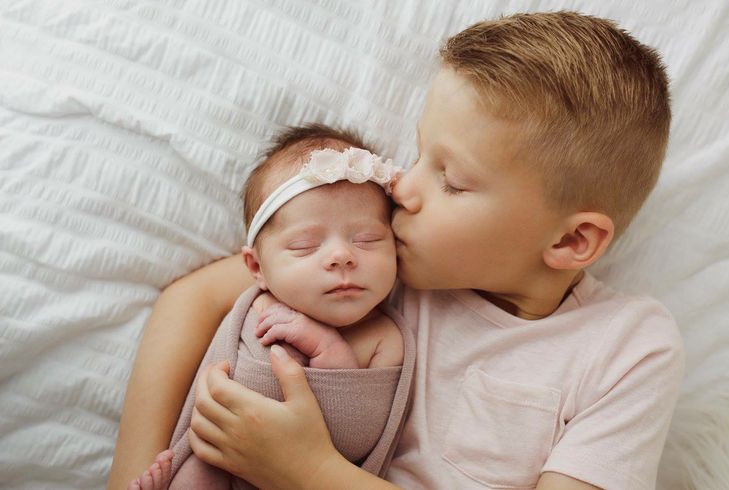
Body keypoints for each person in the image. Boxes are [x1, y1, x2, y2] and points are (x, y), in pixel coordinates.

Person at [109, 11, 685, 490]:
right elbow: (189, 301)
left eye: (451, 180)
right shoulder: (376, 264)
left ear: (569, 240)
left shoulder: (628, 348)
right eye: (417, 155)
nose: (402, 188)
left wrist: (308, 470)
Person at [126, 125, 415, 489]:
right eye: (306, 246)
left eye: (368, 239)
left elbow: (355, 437)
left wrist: (326, 347)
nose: (341, 256)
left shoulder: (383, 337)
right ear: (257, 268)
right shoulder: (251, 306)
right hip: (217, 459)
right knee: (195, 471)